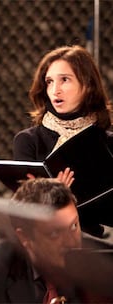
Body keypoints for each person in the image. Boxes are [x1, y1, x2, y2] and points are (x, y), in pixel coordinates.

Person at [13, 45, 113, 237]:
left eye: (64, 80)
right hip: (42, 243)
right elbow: (21, 211)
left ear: (88, 85)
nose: (55, 90)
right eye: (49, 82)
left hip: (96, 244)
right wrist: (55, 197)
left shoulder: (107, 143)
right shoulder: (28, 141)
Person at [0, 178, 112, 304]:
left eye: (74, 226)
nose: (71, 242)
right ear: (24, 237)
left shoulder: (106, 263)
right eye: (55, 233)